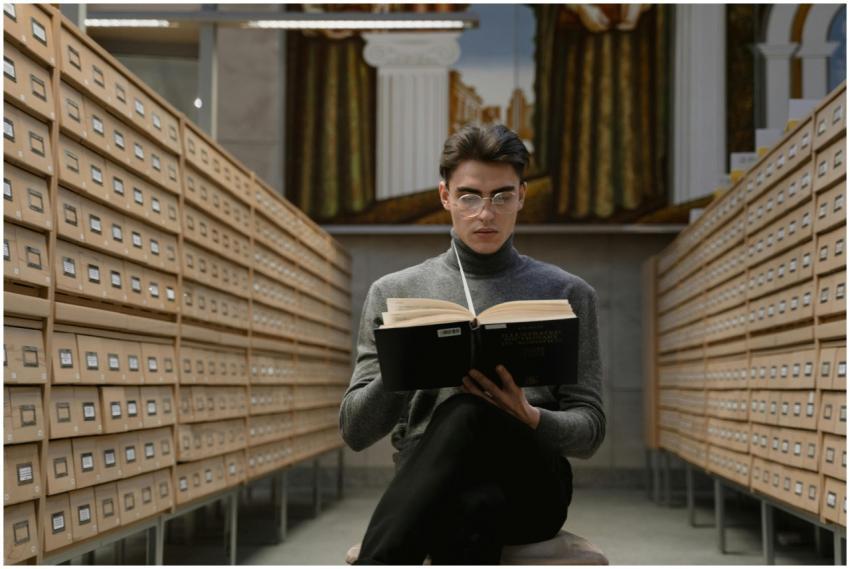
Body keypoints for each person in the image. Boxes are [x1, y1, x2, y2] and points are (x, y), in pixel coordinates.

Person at [339, 124, 606, 565]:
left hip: (531, 485)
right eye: (469, 196)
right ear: (445, 196)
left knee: (469, 411)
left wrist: (530, 415)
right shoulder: (393, 292)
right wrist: (405, 363)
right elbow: (355, 430)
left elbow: (591, 430)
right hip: (433, 485)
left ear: (522, 195)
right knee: (469, 508)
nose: (486, 213)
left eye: (501, 196)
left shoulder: (568, 293)